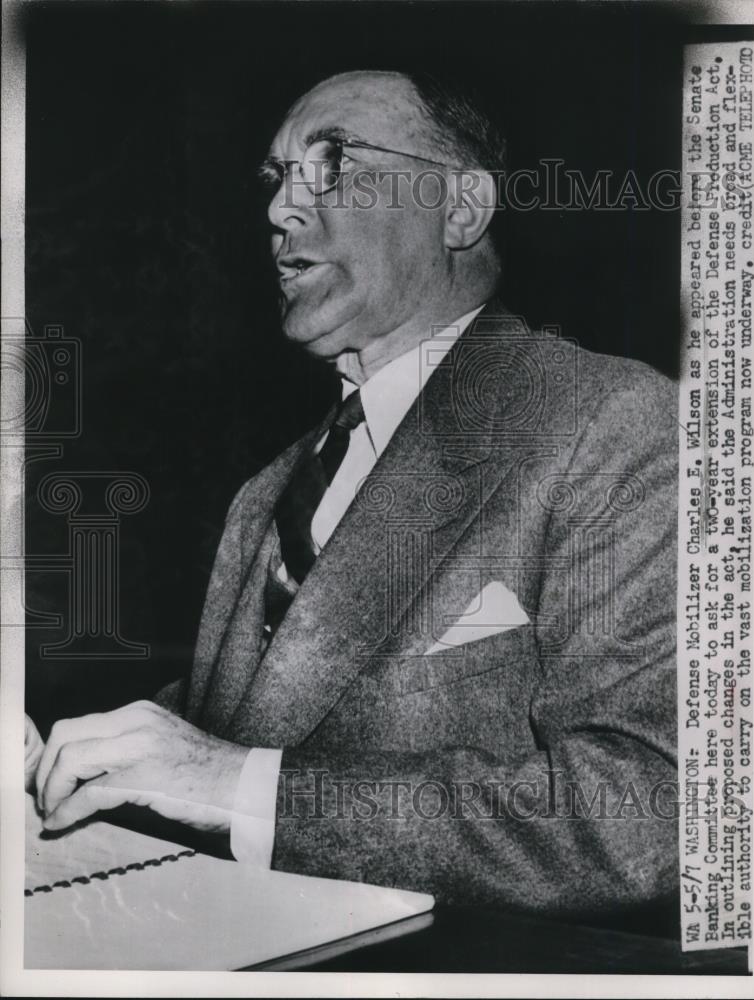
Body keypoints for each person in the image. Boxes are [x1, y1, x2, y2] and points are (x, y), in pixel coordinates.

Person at [27, 70, 679, 917]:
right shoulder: (265, 494)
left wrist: (237, 786)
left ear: (462, 208)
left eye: (332, 162)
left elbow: (650, 810)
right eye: (273, 178)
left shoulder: (612, 420)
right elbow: (242, 722)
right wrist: (58, 758)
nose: (279, 211)